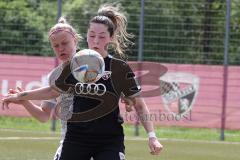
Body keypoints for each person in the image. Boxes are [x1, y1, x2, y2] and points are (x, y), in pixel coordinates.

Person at [2, 3, 163, 160]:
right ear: (86, 36)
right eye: (92, 35)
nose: (96, 41)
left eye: (101, 36)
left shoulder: (119, 68)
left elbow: (139, 104)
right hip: (75, 138)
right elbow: (52, 92)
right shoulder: (73, 66)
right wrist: (22, 97)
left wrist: (152, 136)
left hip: (109, 140)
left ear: (111, 38)